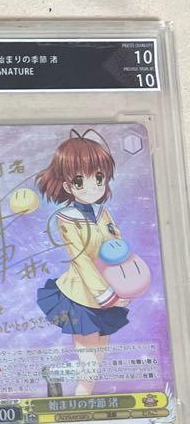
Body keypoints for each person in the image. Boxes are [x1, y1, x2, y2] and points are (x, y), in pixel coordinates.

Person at [35, 129, 128, 396]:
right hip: (81, 294)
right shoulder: (67, 218)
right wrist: (107, 295)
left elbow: (118, 246)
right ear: (67, 186)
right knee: (89, 359)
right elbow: (80, 260)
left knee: (98, 357)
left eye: (98, 177)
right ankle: (75, 394)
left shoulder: (103, 212)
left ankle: (79, 397)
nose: (92, 186)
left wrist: (126, 283)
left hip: (110, 288)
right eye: (79, 180)